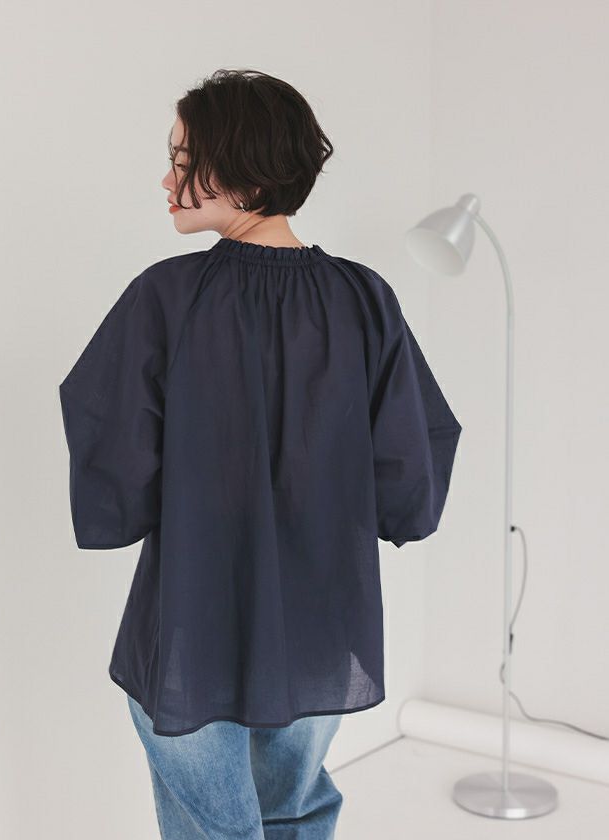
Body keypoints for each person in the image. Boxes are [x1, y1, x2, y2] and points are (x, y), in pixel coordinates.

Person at [58, 68, 463, 839]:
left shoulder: (168, 298)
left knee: (215, 825)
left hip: (193, 614)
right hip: (321, 618)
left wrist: (133, 503)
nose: (168, 181)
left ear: (247, 175)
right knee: (295, 808)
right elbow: (415, 451)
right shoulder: (364, 300)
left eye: (184, 161)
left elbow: (112, 442)